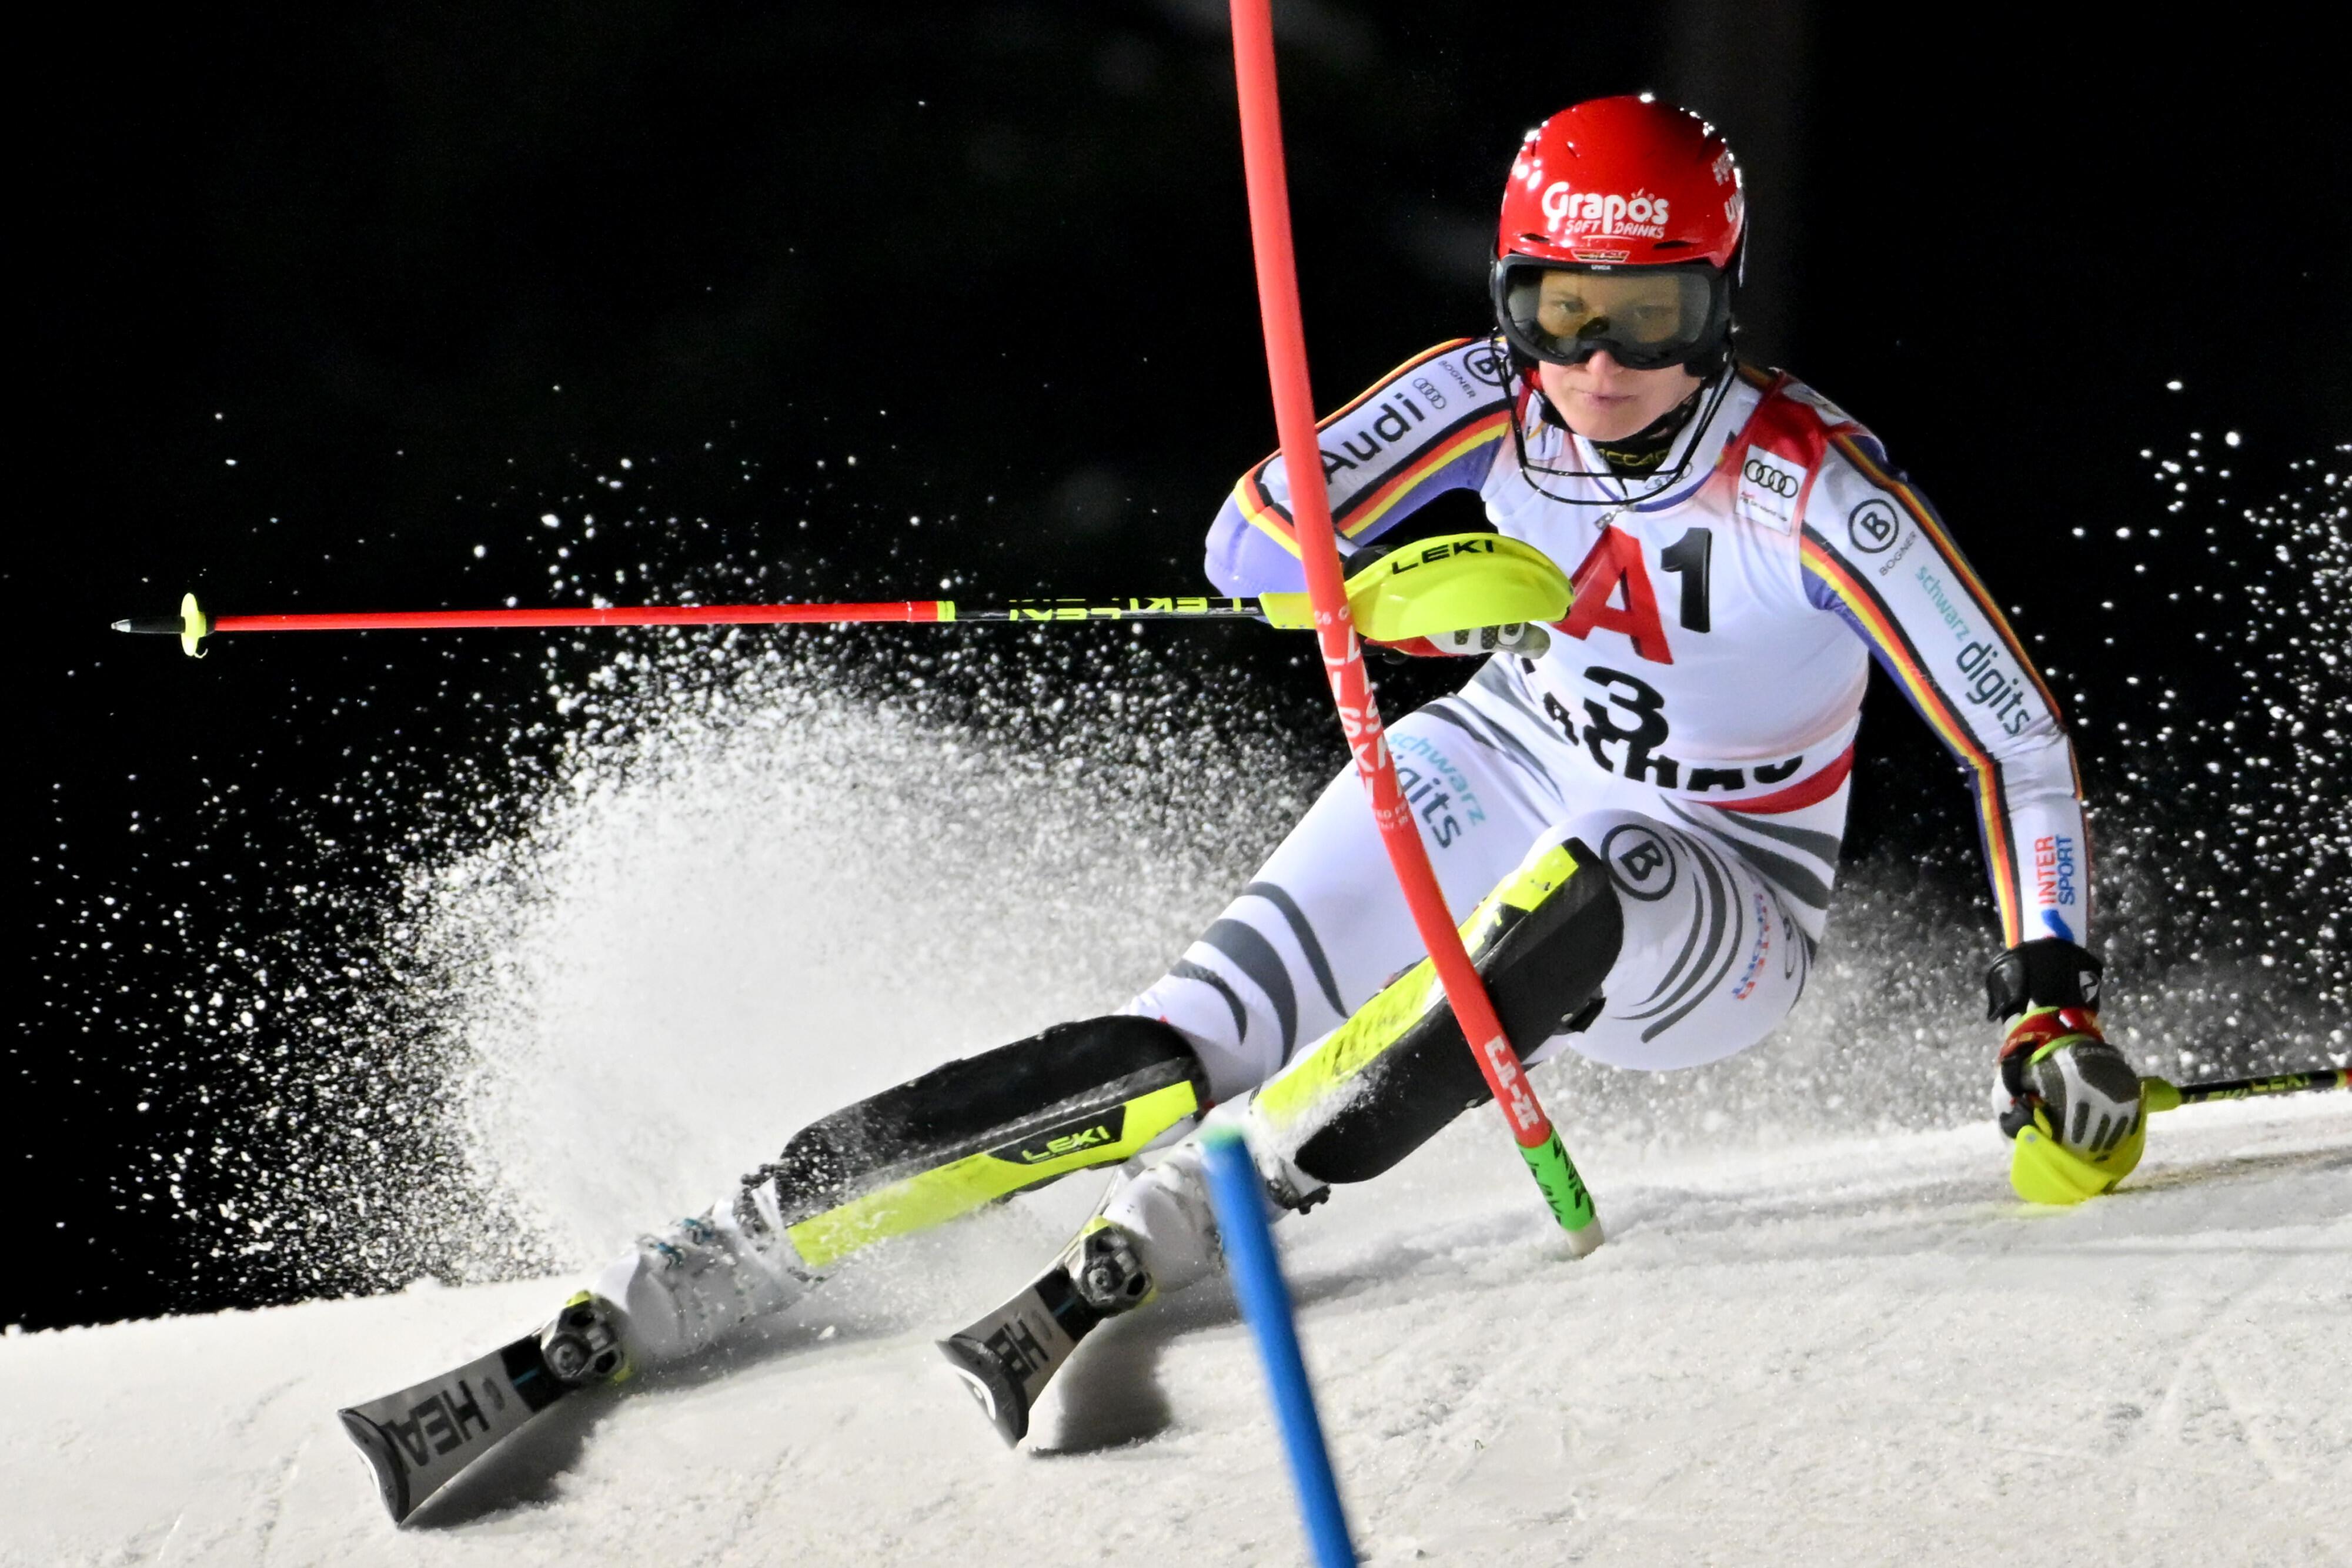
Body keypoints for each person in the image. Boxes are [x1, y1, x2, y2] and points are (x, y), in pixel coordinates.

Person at [542, 95, 2144, 1413]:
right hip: (1499, 762)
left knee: (1604, 873)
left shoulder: (1816, 487)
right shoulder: (1484, 399)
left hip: (1723, 889)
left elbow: (2013, 738)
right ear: (1516, 298)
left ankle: (1233, 1191)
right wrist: (1380, 589)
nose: (1602, 366)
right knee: (1177, 1045)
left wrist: (2047, 1001)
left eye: (1655, 317)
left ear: (1720, 306)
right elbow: (1249, 535)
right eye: (1563, 313)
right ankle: (733, 1247)